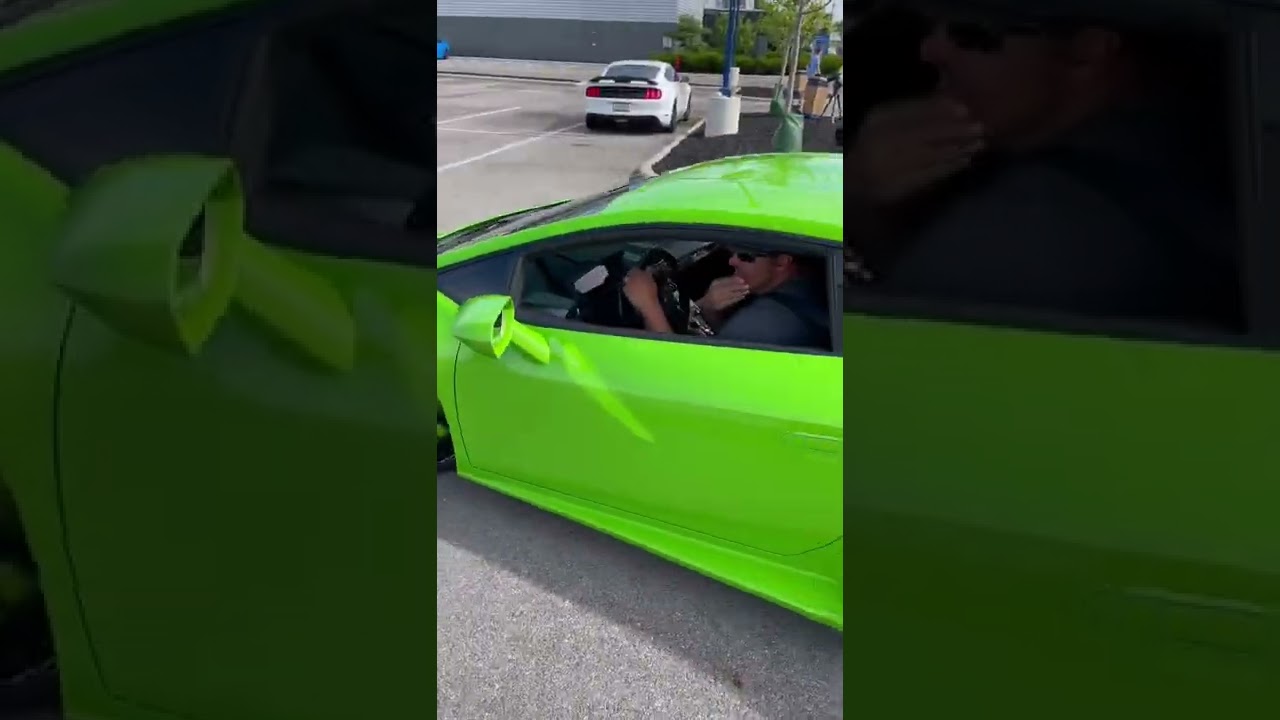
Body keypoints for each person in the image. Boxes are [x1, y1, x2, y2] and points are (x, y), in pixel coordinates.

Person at [848, 4, 1240, 326]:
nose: (931, 49)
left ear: (1086, 51)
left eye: (971, 30)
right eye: (934, 21)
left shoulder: (1029, 229)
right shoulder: (1193, 140)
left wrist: (853, 199)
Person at [623, 249, 829, 348]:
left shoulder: (761, 324)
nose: (732, 261)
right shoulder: (811, 278)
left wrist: (648, 304)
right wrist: (709, 309)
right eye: (733, 252)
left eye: (745, 256)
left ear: (782, 262)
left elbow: (680, 377)